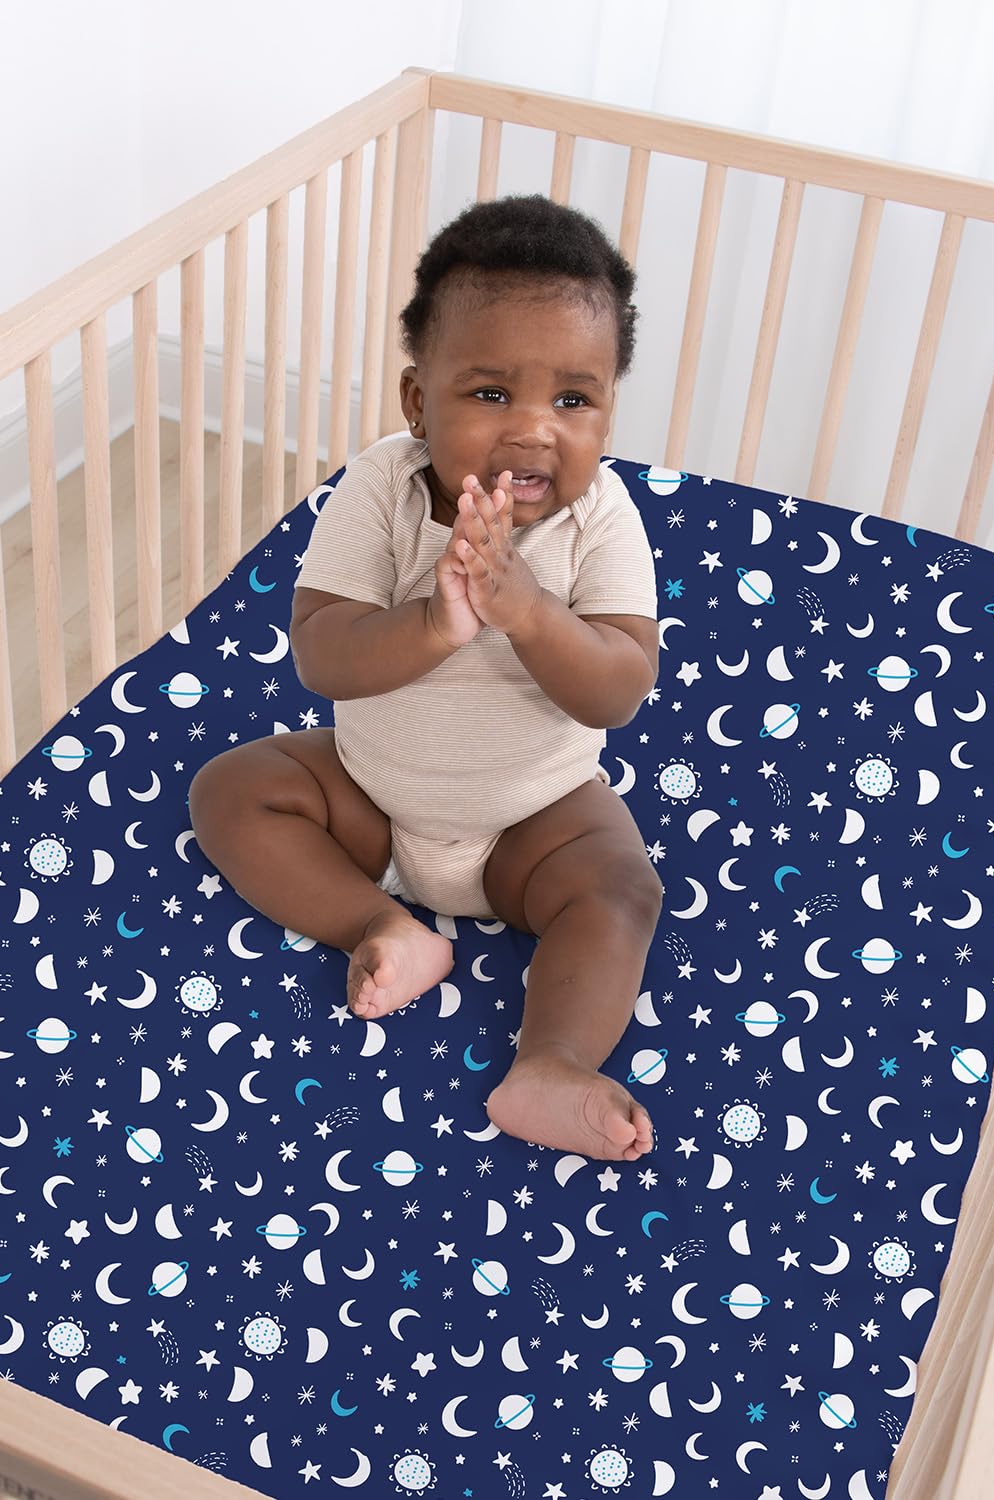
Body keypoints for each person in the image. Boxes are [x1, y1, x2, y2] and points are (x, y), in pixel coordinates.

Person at [188, 193, 662, 1161]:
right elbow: (321, 652)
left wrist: (528, 612)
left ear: (608, 410)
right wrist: (437, 623)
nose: (534, 430)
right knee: (230, 789)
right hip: (373, 798)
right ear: (417, 400)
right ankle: (382, 925)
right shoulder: (382, 486)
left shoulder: (603, 519)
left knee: (621, 889)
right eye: (491, 394)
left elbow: (618, 687)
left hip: (534, 818)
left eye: (573, 401)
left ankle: (552, 1062)